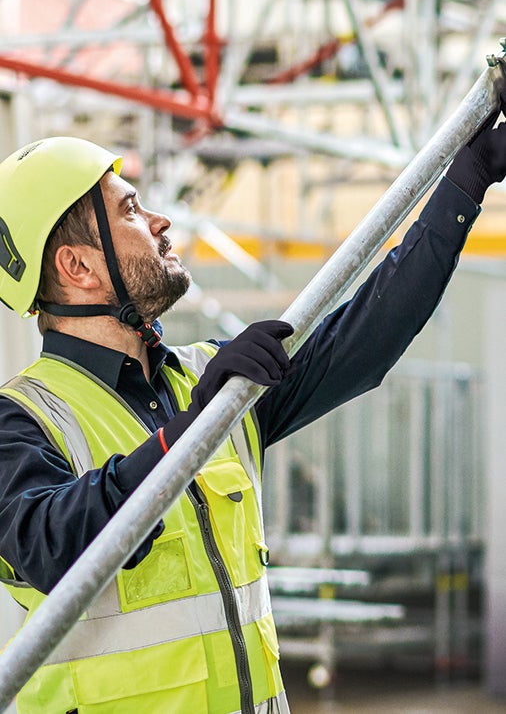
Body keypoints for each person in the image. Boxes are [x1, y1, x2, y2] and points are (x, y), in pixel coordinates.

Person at [0, 113, 505, 714]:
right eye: (131, 211)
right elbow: (53, 544)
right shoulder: (22, 419)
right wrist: (188, 430)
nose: (160, 221)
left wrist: (466, 180)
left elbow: (365, 337)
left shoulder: (211, 381)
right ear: (77, 267)